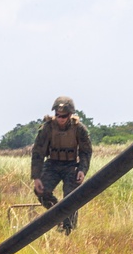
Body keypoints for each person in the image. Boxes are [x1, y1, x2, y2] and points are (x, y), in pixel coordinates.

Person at [31, 96, 93, 234]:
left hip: (71, 166)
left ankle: (68, 228)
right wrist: (36, 177)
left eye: (63, 116)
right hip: (52, 164)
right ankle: (58, 216)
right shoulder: (47, 128)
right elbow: (38, 153)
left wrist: (82, 170)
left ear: (70, 115)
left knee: (71, 196)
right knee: (41, 191)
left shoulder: (79, 129)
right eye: (57, 115)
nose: (60, 118)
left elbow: (86, 151)